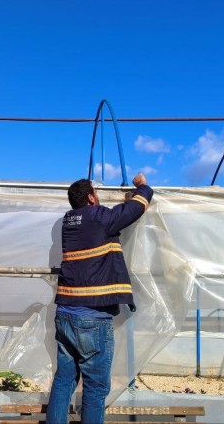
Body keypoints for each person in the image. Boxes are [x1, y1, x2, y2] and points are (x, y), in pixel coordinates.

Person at [46, 173, 153, 424]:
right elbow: (135, 209)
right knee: (95, 388)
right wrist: (142, 187)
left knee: (64, 381)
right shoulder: (98, 217)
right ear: (92, 198)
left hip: (65, 314)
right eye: (98, 195)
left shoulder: (68, 222)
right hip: (92, 320)